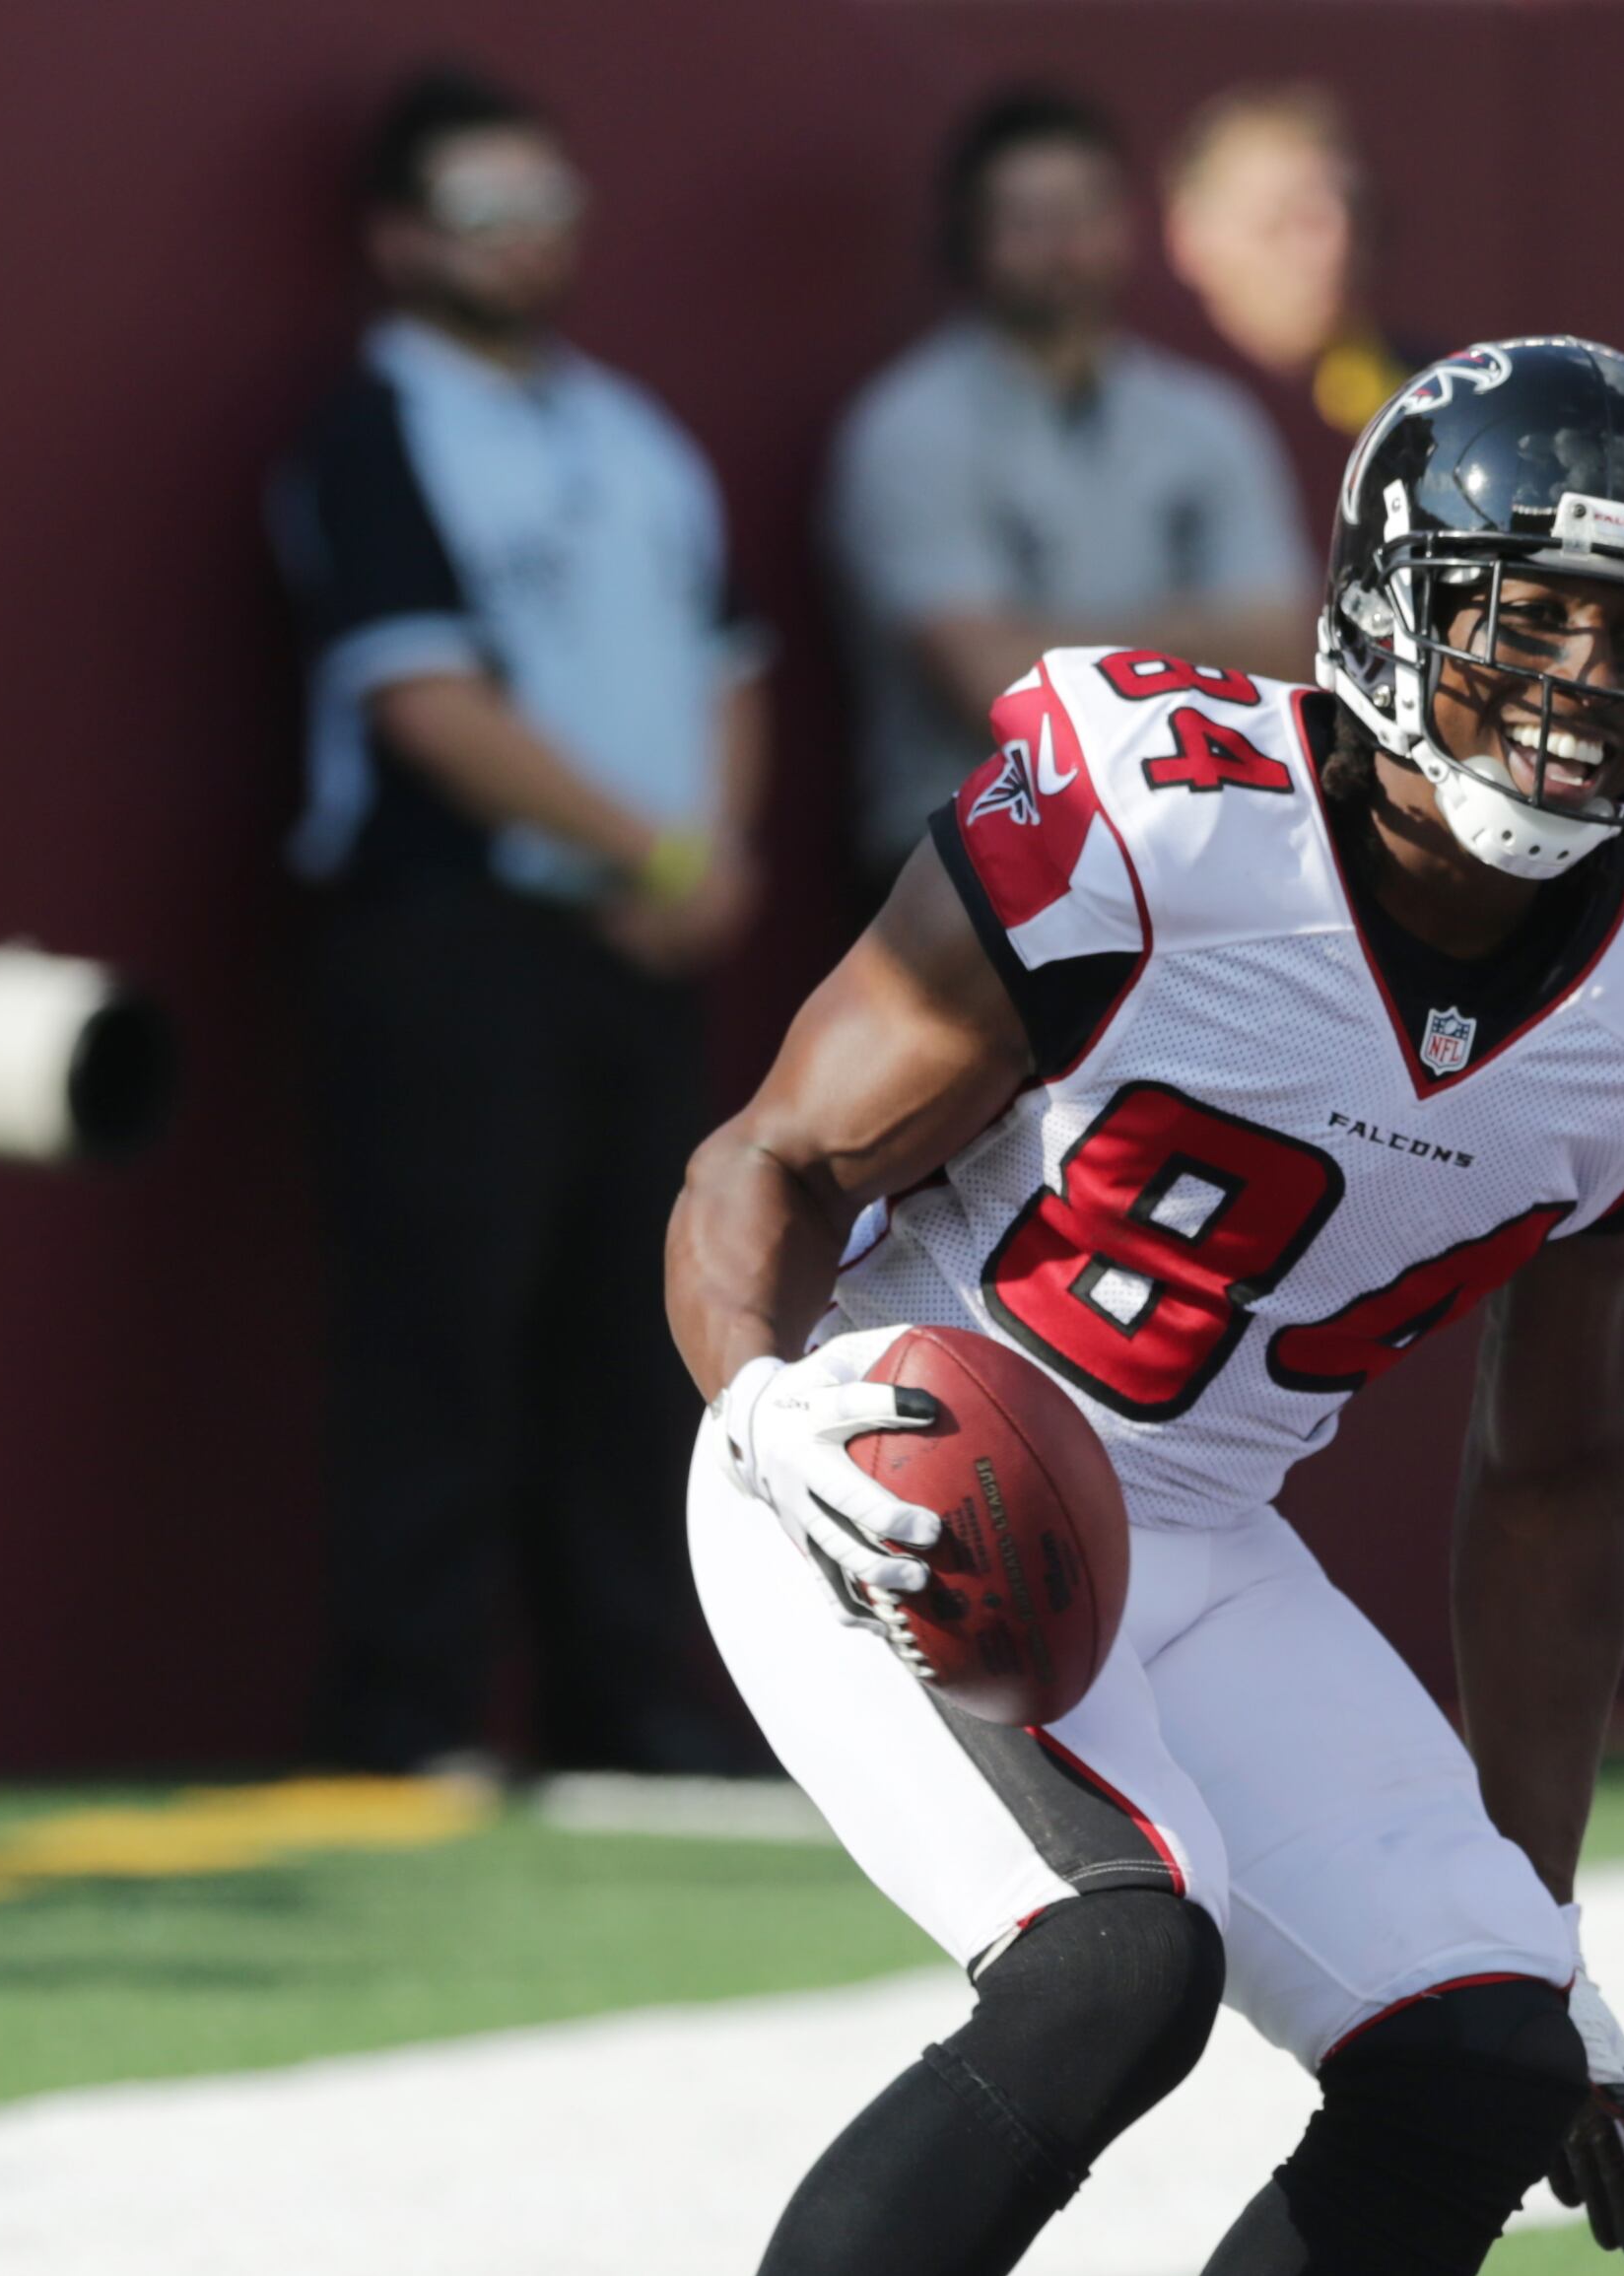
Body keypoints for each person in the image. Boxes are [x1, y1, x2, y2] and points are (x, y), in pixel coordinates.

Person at [459, 339, 1624, 2276]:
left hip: (1200, 1525)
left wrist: (1536, 1900)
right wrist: (764, 1410)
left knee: (1479, 2063)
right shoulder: (1157, 804)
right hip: (902, 1451)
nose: (1581, 685)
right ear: (1387, 604)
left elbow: (1558, 1465)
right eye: (1526, 619)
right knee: (1110, 1968)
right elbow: (767, 1155)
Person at [271, 64, 769, 1777]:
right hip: (450, 940)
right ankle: (404, 1724)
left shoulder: (631, 435)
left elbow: (729, 665)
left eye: (548, 206)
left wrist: (706, 853)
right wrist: (658, 858)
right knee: (443, 1335)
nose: (528, 243)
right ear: (401, 236)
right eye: (487, 213)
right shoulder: (371, 434)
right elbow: (427, 706)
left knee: (636, 1344)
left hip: (635, 961)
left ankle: (628, 1722)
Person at [829, 86, 1315, 891]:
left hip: (1196, 859)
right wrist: (1204, 644)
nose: (1063, 247)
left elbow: (1285, 650)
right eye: (1028, 220)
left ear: (1129, 226)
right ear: (971, 240)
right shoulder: (906, 428)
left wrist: (1051, 644)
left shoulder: (1211, 419)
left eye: (1085, 213)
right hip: (969, 871)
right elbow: (991, 685)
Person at [1162, 87, 1418, 446]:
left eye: (1354, 217)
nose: (1335, 248)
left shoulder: (1426, 405)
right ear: (1189, 237)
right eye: (1286, 218)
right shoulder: (1140, 414)